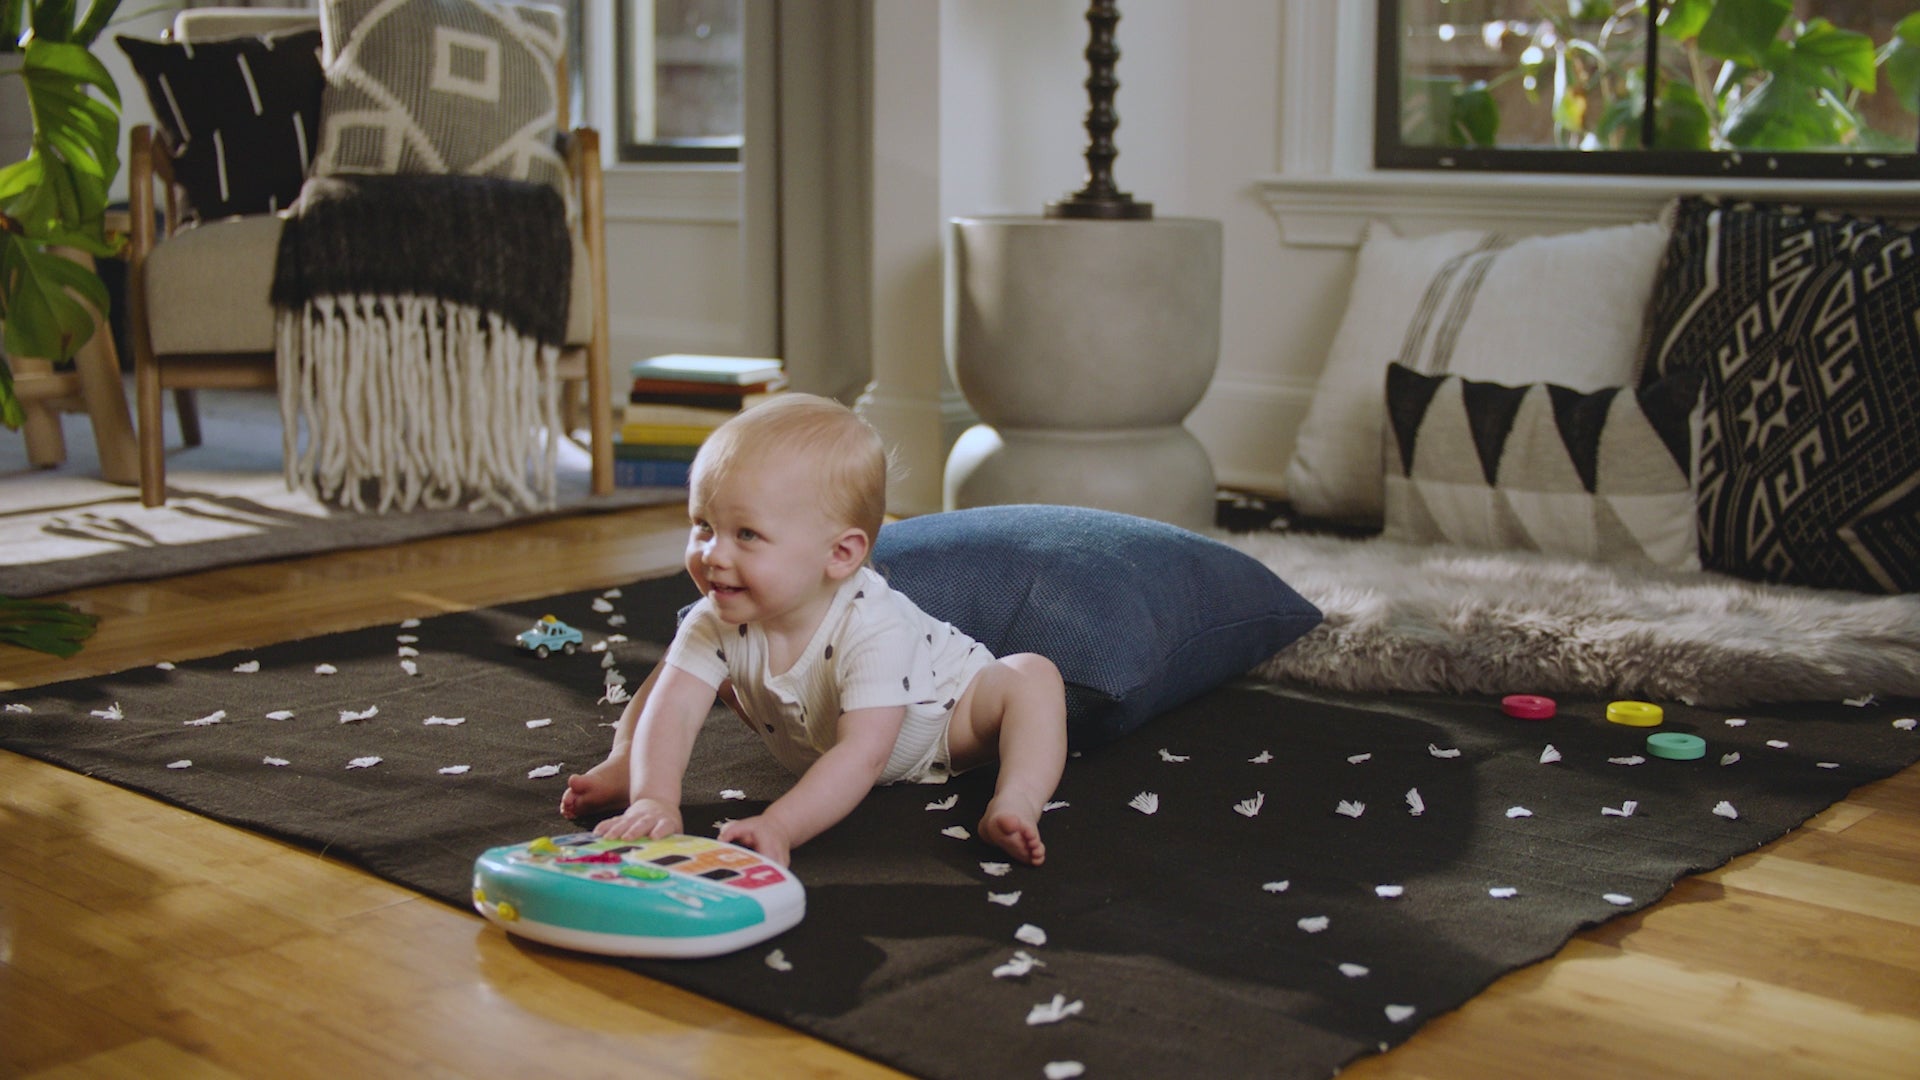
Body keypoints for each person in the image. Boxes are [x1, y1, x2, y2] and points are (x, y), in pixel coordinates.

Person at [560, 393, 1067, 866]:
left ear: (840, 554)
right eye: (703, 525)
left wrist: (781, 825)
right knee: (678, 666)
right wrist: (656, 798)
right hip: (812, 730)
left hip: (946, 719)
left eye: (747, 534)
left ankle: (1018, 798)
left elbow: (863, 755)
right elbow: (673, 710)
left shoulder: (873, 625)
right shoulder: (715, 619)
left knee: (1032, 676)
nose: (713, 554)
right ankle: (630, 763)